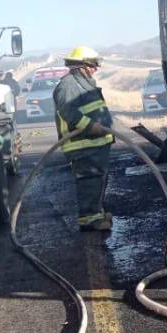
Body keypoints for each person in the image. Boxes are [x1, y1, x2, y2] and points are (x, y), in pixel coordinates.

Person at [53, 46, 115, 232]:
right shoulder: (68, 85)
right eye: (93, 65)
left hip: (96, 142)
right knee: (89, 181)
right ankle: (89, 220)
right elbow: (70, 113)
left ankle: (97, 213)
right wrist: (92, 126)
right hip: (82, 143)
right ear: (81, 66)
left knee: (97, 180)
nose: (95, 69)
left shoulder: (83, 82)